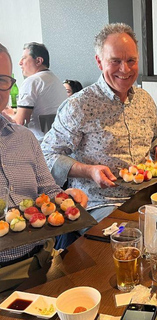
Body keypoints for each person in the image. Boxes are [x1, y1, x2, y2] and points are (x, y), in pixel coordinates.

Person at [41, 23, 157, 224]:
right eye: (115, 61)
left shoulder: (144, 99)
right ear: (99, 62)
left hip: (147, 196)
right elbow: (46, 156)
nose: (125, 69)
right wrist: (89, 170)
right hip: (102, 204)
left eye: (131, 60)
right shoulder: (79, 106)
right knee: (132, 236)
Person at [0, 43, 87, 292]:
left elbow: (47, 189)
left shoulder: (25, 138)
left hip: (39, 263)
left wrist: (64, 197)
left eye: (3, 80)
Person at [10, 42, 67, 140]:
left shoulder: (32, 81)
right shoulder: (56, 80)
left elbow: (20, 122)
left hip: (40, 143)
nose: (20, 62)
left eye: (24, 58)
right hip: (59, 140)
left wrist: (6, 114)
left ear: (38, 61)